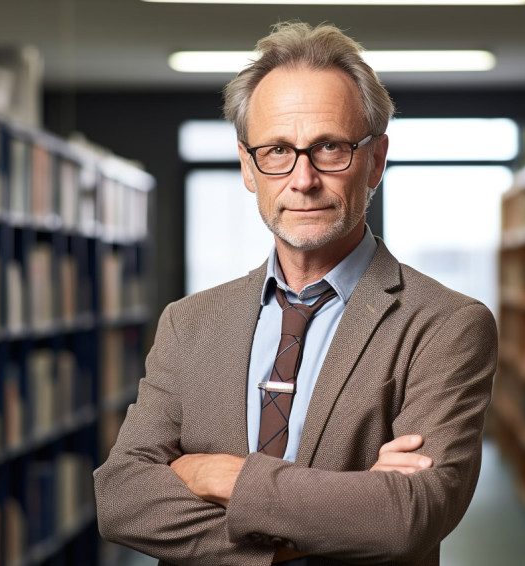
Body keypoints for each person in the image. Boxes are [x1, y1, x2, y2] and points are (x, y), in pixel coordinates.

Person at [93, 21, 497, 566]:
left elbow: (408, 516)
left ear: (375, 159)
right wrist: (328, 520)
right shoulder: (189, 323)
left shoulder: (445, 323)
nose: (302, 179)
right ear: (247, 166)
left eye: (330, 148)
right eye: (277, 150)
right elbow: (121, 498)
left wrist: (220, 476)